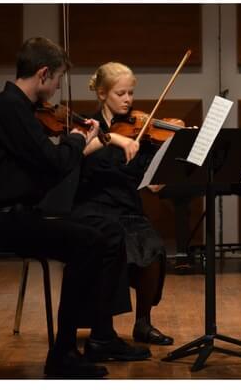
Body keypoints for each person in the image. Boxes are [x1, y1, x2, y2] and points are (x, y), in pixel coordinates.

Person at [0, 38, 151, 378]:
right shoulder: (9, 109)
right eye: (56, 80)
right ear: (42, 74)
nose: (56, 88)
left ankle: (102, 335)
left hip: (19, 215)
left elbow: (46, 165)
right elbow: (53, 163)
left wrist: (82, 142)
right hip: (4, 222)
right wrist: (81, 138)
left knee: (109, 233)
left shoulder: (16, 108)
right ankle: (63, 352)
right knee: (89, 242)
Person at [71, 62, 174, 347]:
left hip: (128, 210)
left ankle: (143, 323)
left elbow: (152, 186)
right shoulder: (86, 126)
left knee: (152, 250)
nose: (128, 99)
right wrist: (111, 138)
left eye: (131, 93)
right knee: (112, 246)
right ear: (102, 94)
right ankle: (104, 328)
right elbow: (73, 157)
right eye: (121, 93)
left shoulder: (140, 132)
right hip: (93, 208)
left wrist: (170, 164)